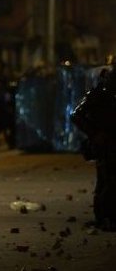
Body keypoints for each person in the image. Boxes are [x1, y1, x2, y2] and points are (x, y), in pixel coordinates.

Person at [72, 66, 116, 231]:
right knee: (106, 181)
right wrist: (95, 133)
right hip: (105, 145)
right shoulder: (98, 94)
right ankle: (103, 217)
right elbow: (77, 115)